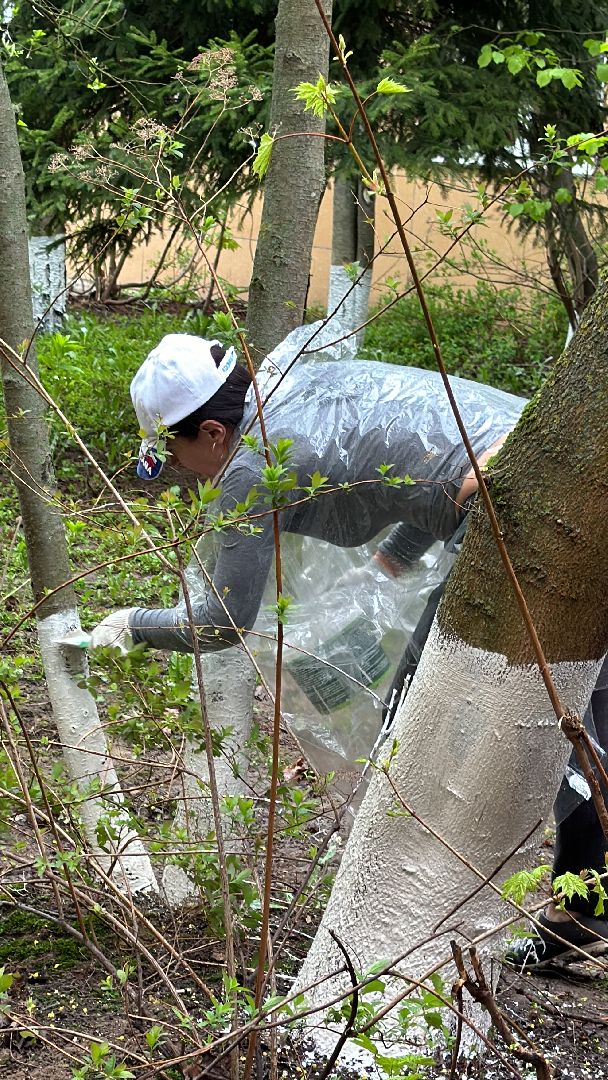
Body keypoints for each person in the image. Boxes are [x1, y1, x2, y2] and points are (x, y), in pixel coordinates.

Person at [90, 324, 607, 971]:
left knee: (449, 715)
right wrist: (394, 558)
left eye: (172, 452)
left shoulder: (250, 466)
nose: (176, 470)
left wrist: (131, 624)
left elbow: (220, 621)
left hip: (527, 513)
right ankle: (580, 913)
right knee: (583, 701)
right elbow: (425, 453)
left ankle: (404, 920)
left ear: (212, 434)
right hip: (560, 480)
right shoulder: (289, 383)